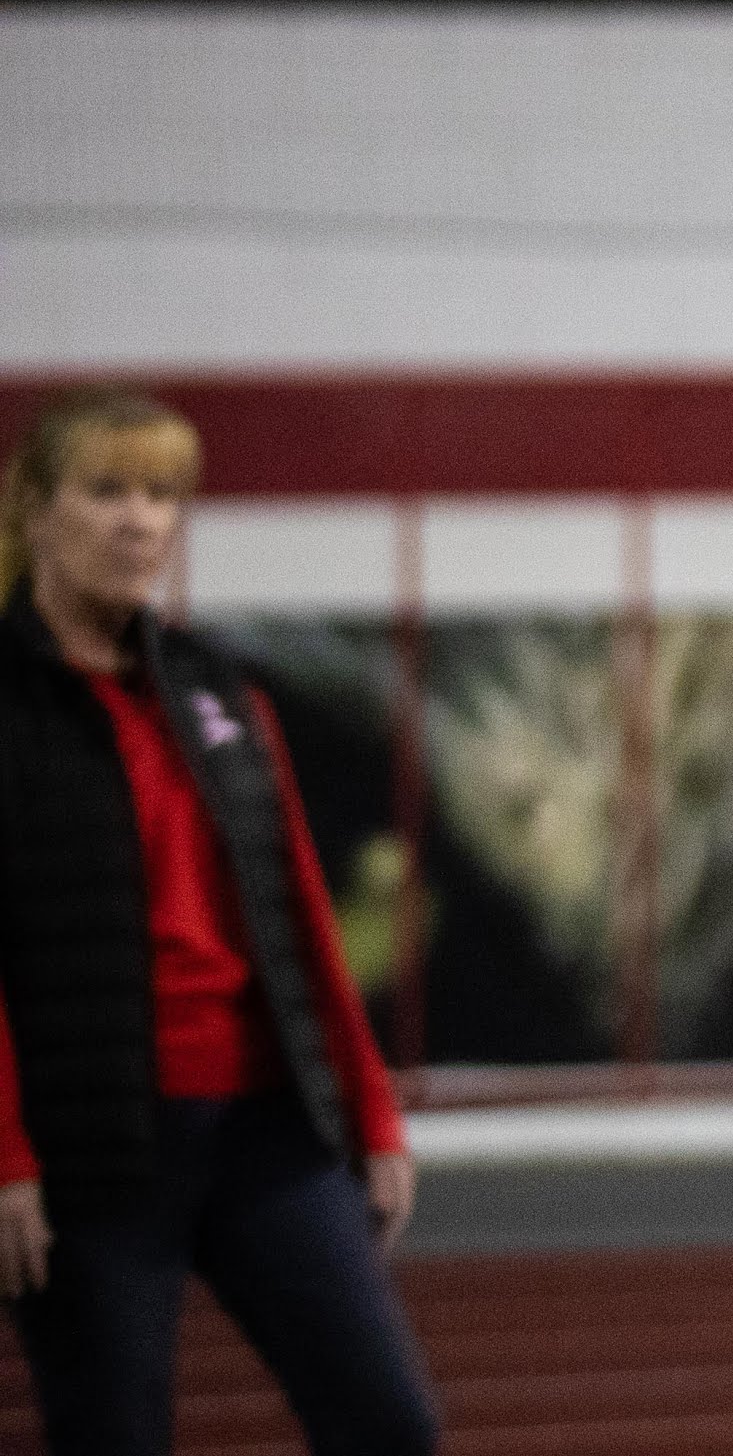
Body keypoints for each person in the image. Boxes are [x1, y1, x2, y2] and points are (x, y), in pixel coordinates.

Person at [0, 388, 433, 1456]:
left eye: (161, 495)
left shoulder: (221, 690)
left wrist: (369, 1109)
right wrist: (6, 1154)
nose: (140, 520)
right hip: (91, 1147)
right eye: (107, 490)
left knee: (391, 1424)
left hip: (266, 1131)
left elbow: (296, 916)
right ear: (35, 510)